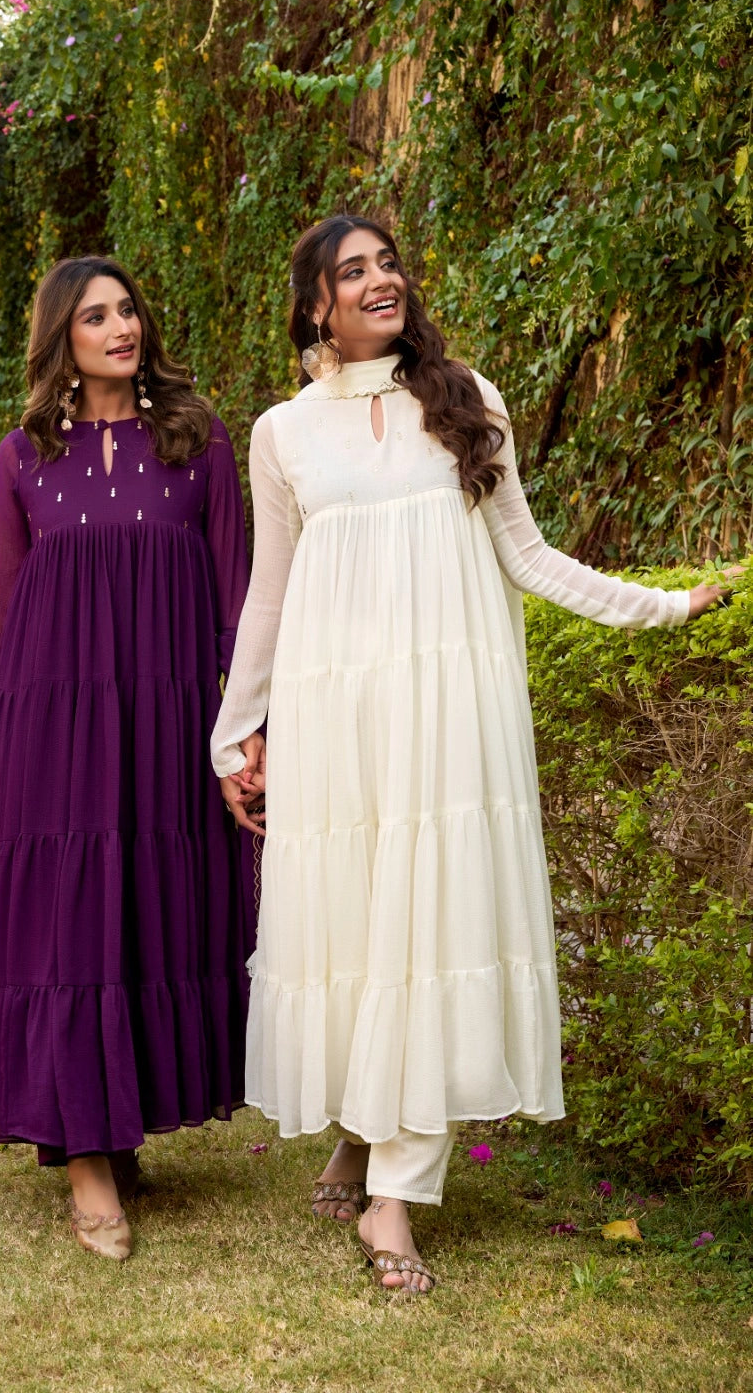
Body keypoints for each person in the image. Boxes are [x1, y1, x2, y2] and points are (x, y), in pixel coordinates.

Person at [211, 213, 739, 1297]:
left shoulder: (465, 401)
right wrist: (236, 729)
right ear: (315, 305)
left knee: (433, 923)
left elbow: (527, 556)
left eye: (387, 263)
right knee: (358, 926)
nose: (381, 280)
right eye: (353, 271)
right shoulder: (282, 433)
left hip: (449, 711)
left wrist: (663, 606)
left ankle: (395, 1194)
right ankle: (358, 1133)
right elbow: (271, 590)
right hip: (337, 714)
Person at [0, 254, 251, 1261]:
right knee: (68, 930)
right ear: (61, 340)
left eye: (127, 311)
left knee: (149, 920)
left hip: (167, 729)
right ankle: (84, 1162)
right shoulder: (23, 456)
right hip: (51, 730)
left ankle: (115, 1125)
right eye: (95, 317)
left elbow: (239, 601)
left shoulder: (199, 442)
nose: (121, 328)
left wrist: (250, 725)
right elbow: (1, 608)